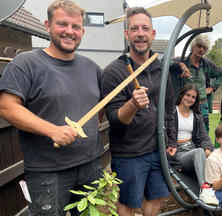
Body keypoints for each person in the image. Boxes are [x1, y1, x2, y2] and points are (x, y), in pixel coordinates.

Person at [0, 0, 104, 215]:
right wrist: (52, 130)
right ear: (47, 26)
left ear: (82, 31)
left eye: (75, 27)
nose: (69, 31)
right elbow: (7, 108)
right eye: (62, 24)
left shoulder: (92, 67)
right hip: (48, 172)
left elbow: (100, 106)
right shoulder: (25, 64)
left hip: (90, 165)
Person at [100, 7, 177, 216]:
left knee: (156, 196)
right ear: (127, 34)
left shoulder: (161, 69)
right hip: (129, 153)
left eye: (145, 28)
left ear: (152, 34)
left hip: (158, 149)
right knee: (129, 203)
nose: (140, 33)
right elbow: (114, 119)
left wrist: (171, 140)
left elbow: (169, 108)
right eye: (134, 29)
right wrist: (132, 104)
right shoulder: (114, 72)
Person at [171, 83, 218, 205]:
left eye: (193, 97)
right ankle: (205, 189)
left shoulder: (196, 116)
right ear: (181, 95)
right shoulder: (170, 112)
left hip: (193, 149)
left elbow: (204, 136)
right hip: (178, 153)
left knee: (215, 154)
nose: (190, 99)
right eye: (188, 95)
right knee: (199, 152)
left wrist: (208, 149)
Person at [171, 34, 222, 132]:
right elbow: (163, 61)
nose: (201, 50)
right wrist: (181, 65)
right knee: (182, 129)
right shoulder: (182, 60)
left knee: (203, 131)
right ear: (192, 46)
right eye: (199, 46)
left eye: (204, 48)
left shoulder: (207, 65)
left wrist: (212, 88)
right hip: (185, 103)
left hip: (202, 105)